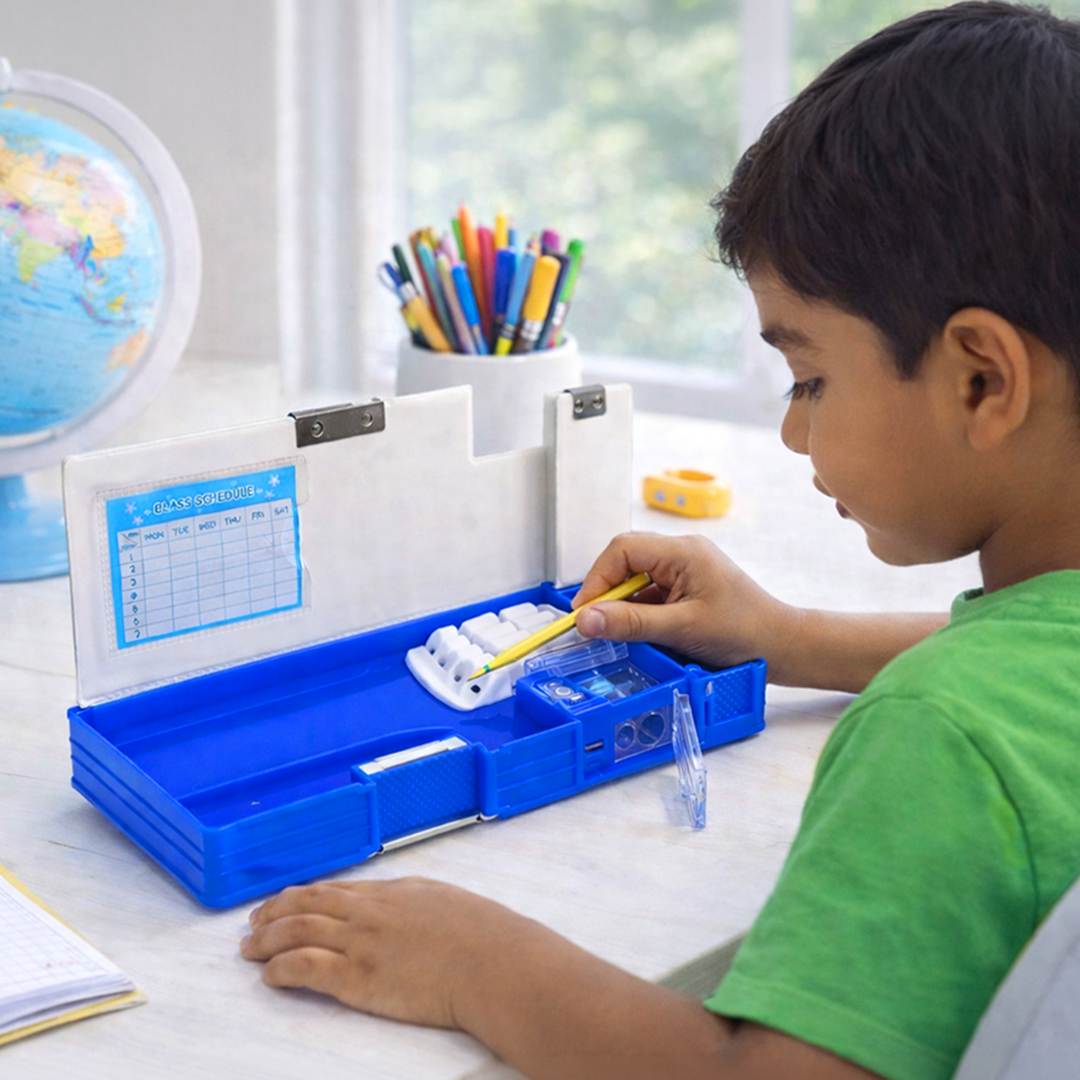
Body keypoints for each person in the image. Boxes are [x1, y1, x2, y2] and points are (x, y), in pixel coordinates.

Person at [239, 4, 1080, 1077]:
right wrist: (786, 634)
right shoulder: (1011, 691)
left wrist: (477, 964)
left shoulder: (941, 738)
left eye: (811, 377)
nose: (791, 428)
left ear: (983, 379)